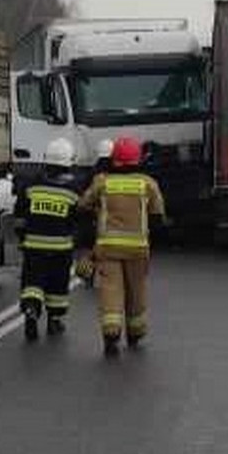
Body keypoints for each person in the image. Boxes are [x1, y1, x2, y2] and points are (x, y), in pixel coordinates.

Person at [78, 136, 166, 356]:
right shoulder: (147, 183)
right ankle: (135, 331)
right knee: (137, 290)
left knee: (111, 289)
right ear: (138, 159)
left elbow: (82, 205)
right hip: (138, 248)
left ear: (114, 159)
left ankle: (111, 333)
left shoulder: (102, 182)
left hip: (108, 248)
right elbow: (157, 217)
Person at [14, 138, 82, 340]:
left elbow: (19, 217)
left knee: (33, 281)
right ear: (69, 162)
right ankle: (54, 321)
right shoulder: (73, 192)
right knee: (57, 284)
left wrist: (22, 238)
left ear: (46, 160)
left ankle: (31, 310)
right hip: (61, 249)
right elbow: (77, 221)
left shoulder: (30, 187)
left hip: (34, 245)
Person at [73, 139, 115, 288]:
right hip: (112, 219)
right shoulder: (118, 174)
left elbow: (83, 198)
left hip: (91, 218)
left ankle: (86, 273)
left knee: (90, 247)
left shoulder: (91, 174)